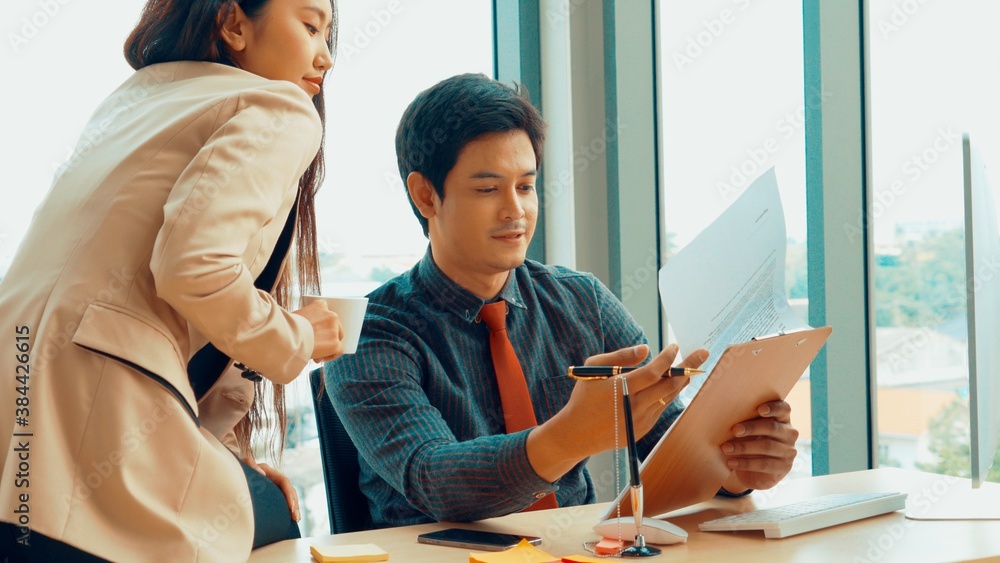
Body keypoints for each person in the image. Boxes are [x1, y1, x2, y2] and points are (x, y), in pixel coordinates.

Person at [324, 73, 800, 529]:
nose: (516, 210)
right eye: (488, 189)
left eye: (527, 186)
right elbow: (434, 479)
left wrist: (737, 468)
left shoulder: (580, 300)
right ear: (426, 195)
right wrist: (570, 435)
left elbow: (668, 449)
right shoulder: (369, 331)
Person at [0, 0, 345, 560]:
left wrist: (224, 457)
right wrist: (298, 337)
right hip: (96, 423)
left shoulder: (134, 101)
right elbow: (194, 269)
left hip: (16, 403)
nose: (325, 56)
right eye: (309, 26)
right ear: (234, 23)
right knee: (271, 519)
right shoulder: (280, 109)